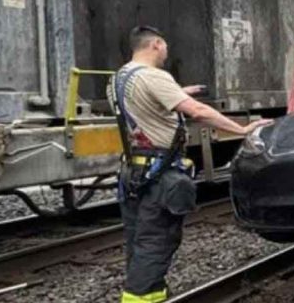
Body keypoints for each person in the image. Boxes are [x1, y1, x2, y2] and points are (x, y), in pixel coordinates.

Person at [108, 26, 272, 302]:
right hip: (158, 173)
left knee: (138, 239)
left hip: (133, 173)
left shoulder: (119, 78)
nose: (166, 53)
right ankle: (141, 297)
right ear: (156, 44)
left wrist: (178, 92)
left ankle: (149, 292)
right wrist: (241, 129)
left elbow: (142, 102)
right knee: (157, 241)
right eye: (165, 47)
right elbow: (197, 111)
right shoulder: (154, 76)